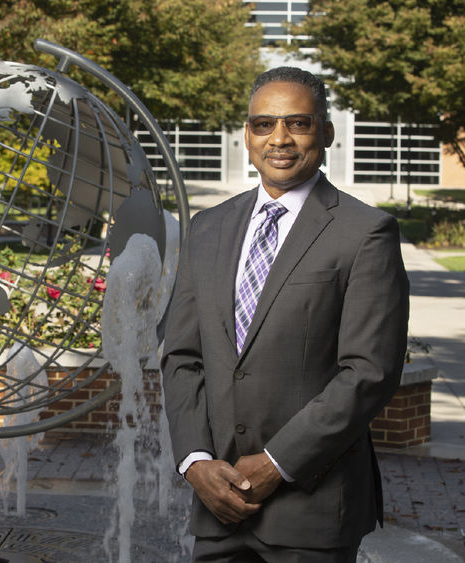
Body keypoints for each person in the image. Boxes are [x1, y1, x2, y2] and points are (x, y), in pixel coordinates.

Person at [161, 66, 409, 561]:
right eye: (263, 125)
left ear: (327, 133)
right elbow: (183, 356)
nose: (280, 139)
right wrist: (194, 462)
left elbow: (369, 372)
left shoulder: (366, 232)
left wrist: (276, 464)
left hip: (311, 512)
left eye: (298, 123)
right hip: (218, 503)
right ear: (247, 135)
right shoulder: (208, 228)